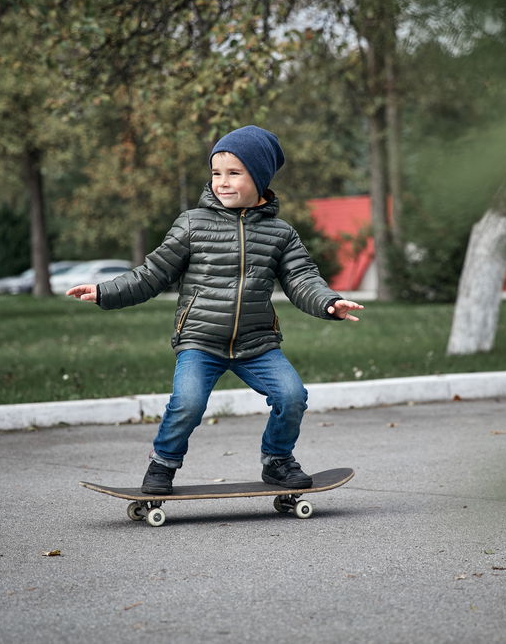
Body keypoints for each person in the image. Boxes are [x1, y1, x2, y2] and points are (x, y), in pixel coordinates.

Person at [66, 125, 363, 495]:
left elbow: (302, 278)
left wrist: (329, 303)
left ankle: (277, 460)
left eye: (234, 173)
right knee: (187, 403)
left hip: (256, 343)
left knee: (292, 396)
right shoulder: (193, 223)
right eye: (216, 172)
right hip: (200, 340)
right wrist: (105, 291)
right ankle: (163, 464)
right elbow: (153, 273)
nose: (222, 182)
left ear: (260, 177)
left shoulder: (281, 233)